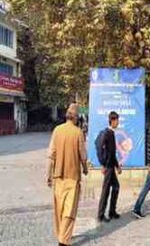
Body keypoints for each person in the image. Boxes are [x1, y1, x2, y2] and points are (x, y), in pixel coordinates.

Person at [46, 103, 88, 246]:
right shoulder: (78, 133)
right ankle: (63, 240)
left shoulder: (57, 130)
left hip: (58, 176)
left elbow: (51, 155)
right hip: (72, 177)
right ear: (75, 118)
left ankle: (61, 235)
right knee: (69, 210)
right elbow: (83, 155)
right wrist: (85, 168)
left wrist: (48, 175)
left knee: (59, 209)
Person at [96, 111, 122, 223]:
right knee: (105, 190)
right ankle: (100, 215)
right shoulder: (107, 133)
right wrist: (103, 164)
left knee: (116, 187)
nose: (118, 123)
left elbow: (112, 152)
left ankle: (112, 211)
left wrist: (117, 166)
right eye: (117, 120)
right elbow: (98, 147)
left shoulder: (111, 133)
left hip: (111, 165)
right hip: (108, 167)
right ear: (112, 121)